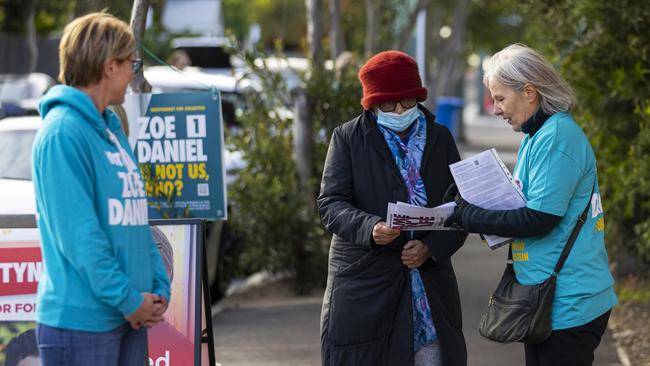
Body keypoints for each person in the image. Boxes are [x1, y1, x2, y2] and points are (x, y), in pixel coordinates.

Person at [444, 44, 617, 366]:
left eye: (500, 98)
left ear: (529, 92)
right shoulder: (537, 136)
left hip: (568, 301)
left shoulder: (556, 137)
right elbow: (523, 206)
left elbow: (538, 218)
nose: (496, 109)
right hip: (546, 297)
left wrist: (470, 217)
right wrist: (476, 204)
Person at [31, 12, 170, 366]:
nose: (132, 73)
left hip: (130, 317)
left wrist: (157, 289)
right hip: (82, 326)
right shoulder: (62, 133)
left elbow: (137, 222)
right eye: (131, 64)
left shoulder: (111, 129)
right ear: (110, 66)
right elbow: (80, 237)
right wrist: (129, 301)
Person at [317, 50, 468, 366]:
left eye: (407, 102)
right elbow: (330, 203)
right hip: (365, 284)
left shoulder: (440, 138)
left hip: (429, 284)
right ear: (372, 104)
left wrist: (431, 247)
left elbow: (461, 204)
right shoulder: (347, 138)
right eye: (388, 104)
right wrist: (370, 228)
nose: (399, 110)